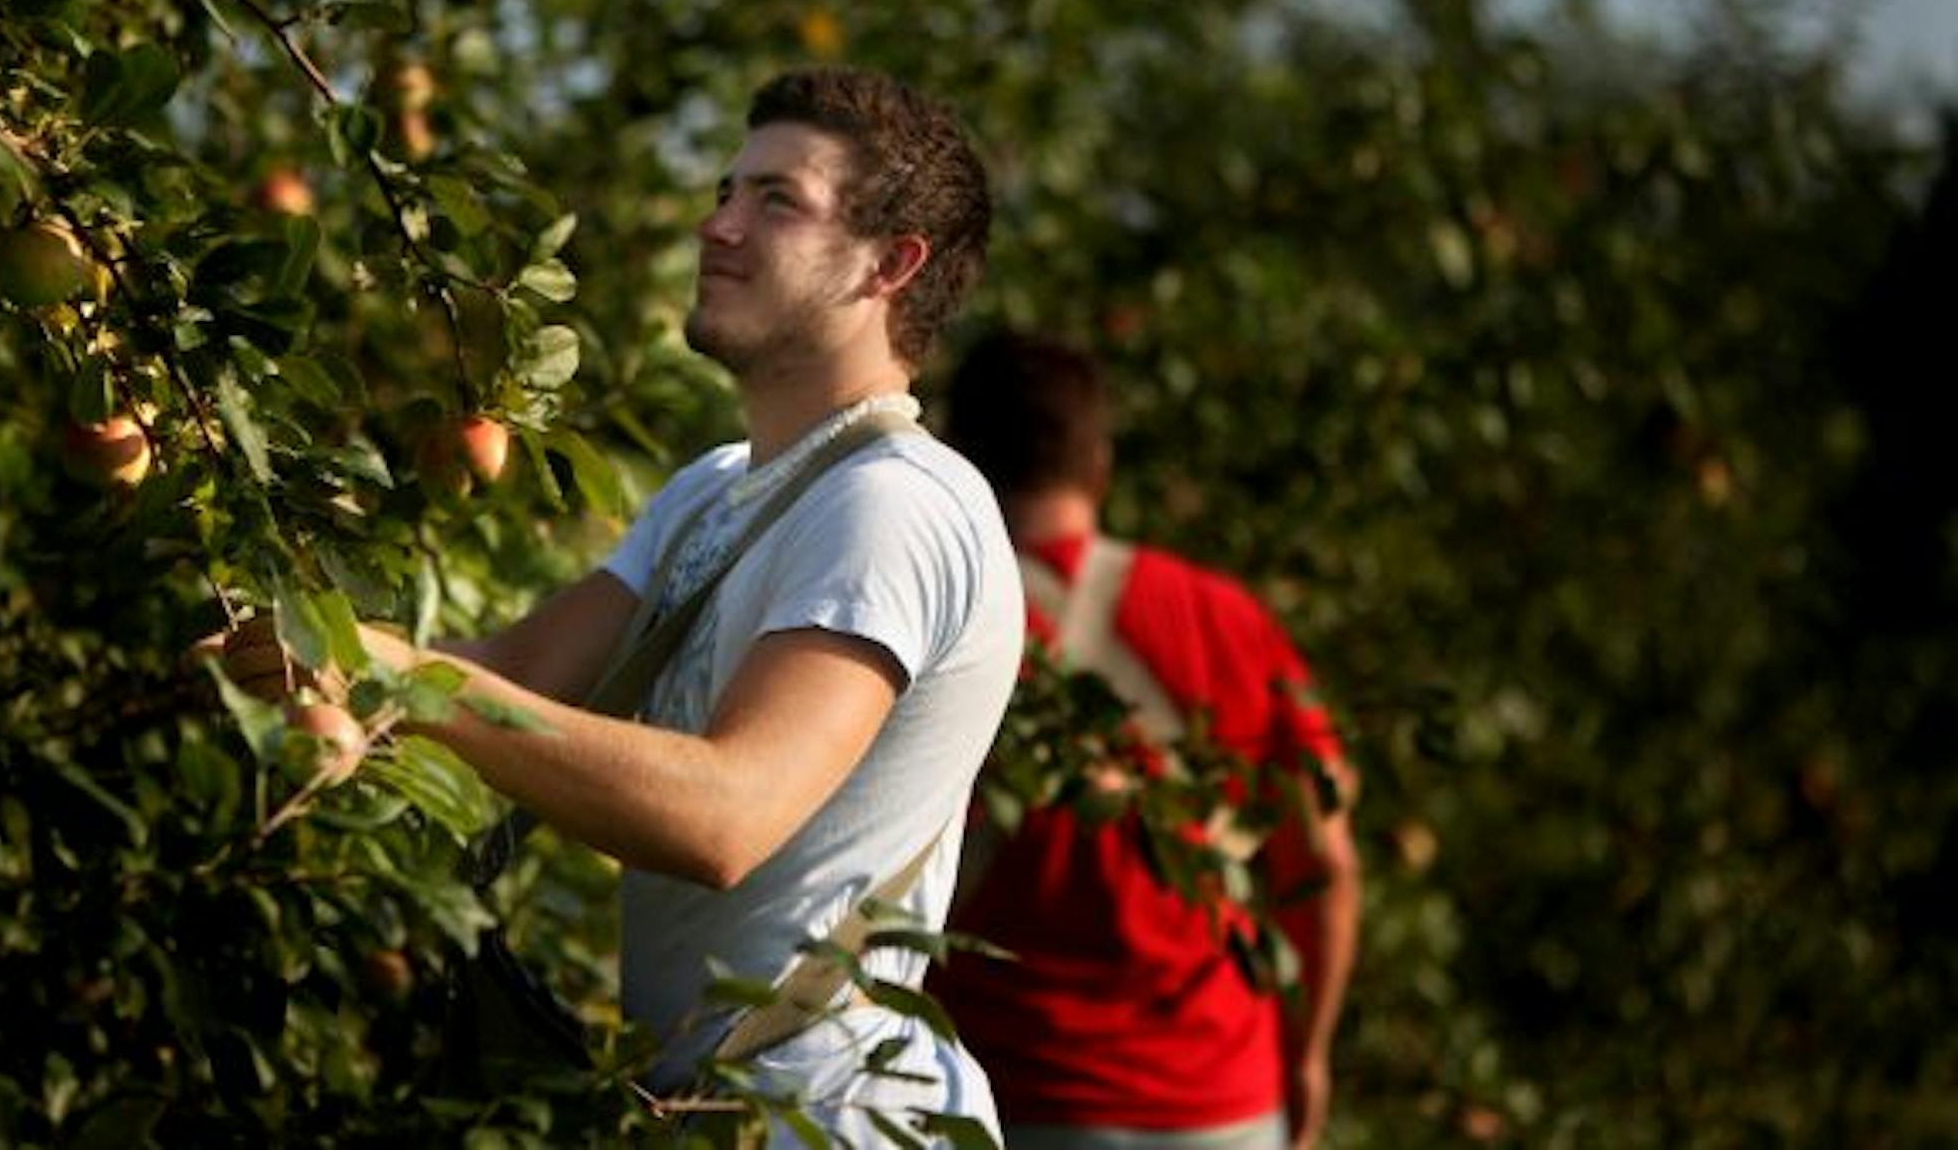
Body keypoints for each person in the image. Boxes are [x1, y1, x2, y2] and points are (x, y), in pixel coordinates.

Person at [212, 68, 1023, 1143]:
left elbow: (725, 815)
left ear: (891, 263)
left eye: (776, 200)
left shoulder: (894, 505)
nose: (718, 223)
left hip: (835, 1118)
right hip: (704, 1109)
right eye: (728, 189)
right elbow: (515, 673)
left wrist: (399, 674)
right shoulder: (716, 490)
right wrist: (304, 653)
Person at [926, 331, 1361, 1150]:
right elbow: (1325, 861)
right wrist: (1309, 1054)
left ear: (961, 455)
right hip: (1219, 1102)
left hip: (997, 1096)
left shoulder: (932, 620)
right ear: (1100, 462)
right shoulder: (1226, 619)